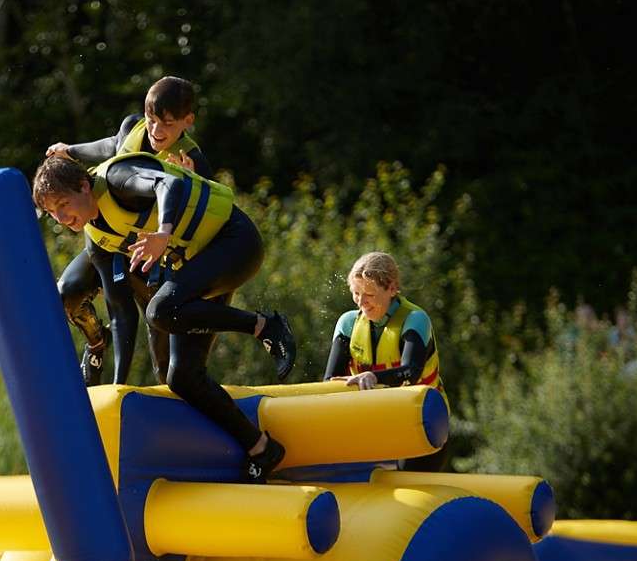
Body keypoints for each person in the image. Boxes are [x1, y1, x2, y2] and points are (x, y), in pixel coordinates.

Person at [31, 153, 296, 483]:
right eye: (52, 212)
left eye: (63, 204)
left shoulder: (116, 180)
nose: (60, 217)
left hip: (235, 243)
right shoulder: (97, 237)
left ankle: (264, 326)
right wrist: (118, 387)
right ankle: (261, 449)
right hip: (198, 267)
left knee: (160, 310)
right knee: (182, 376)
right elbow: (120, 310)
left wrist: (163, 233)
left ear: (84, 186)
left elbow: (167, 182)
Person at [45, 76, 210, 386]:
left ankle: (176, 417)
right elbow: (110, 146)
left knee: (165, 363)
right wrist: (70, 150)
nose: (157, 131)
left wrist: (193, 183)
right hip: (110, 242)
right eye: (152, 121)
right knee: (67, 293)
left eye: (167, 124)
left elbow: (207, 218)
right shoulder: (133, 127)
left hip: (153, 256)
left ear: (187, 123)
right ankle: (96, 344)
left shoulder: (193, 160)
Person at [324, 251, 447, 471]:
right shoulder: (348, 324)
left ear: (391, 289)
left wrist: (373, 376)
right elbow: (329, 382)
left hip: (421, 423)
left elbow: (411, 372)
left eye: (369, 294)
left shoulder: (416, 319)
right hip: (373, 424)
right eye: (356, 293)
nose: (361, 302)